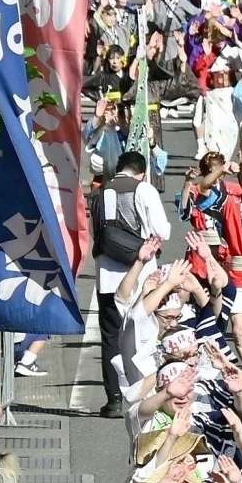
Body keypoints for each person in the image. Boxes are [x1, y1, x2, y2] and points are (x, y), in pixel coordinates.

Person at [93, 150, 173, 417]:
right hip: (139, 274)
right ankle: (141, 390)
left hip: (106, 273)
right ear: (141, 171)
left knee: (111, 337)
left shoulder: (101, 192)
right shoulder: (143, 189)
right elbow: (163, 230)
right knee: (143, 333)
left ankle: (113, 399)